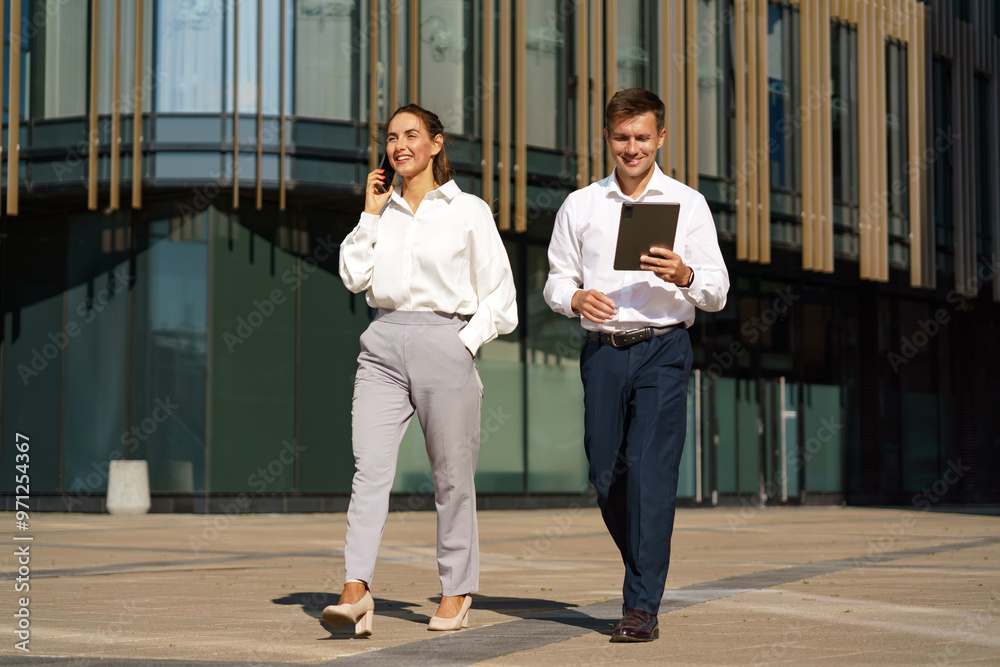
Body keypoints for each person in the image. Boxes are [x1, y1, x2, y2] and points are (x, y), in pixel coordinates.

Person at [543, 88, 729, 642]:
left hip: (664, 350)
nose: (632, 148)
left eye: (642, 137)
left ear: (660, 138)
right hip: (602, 353)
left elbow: (717, 290)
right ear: (607, 138)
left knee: (649, 476)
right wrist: (576, 300)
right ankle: (646, 563)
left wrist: (685, 276)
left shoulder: (688, 204)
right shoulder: (581, 205)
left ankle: (640, 606)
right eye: (622, 137)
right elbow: (556, 278)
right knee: (606, 475)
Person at [324, 104, 518, 636]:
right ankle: (356, 588)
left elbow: (501, 297)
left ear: (436, 144)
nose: (399, 144)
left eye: (411, 135)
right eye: (391, 137)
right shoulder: (380, 213)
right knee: (369, 472)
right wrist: (368, 213)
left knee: (452, 479)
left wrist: (464, 344)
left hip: (445, 339)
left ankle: (456, 590)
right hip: (383, 343)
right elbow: (352, 276)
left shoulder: (468, 210)